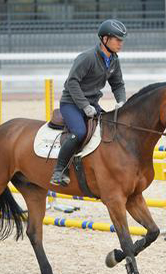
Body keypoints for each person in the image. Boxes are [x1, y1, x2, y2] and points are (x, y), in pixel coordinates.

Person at [50, 19, 127, 186]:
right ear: (105, 39)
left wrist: (122, 102)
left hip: (92, 103)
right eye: (118, 39)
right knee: (79, 132)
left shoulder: (114, 60)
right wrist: (84, 106)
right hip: (71, 103)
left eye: (122, 40)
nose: (121, 43)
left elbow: (118, 84)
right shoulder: (87, 58)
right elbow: (72, 83)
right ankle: (58, 170)